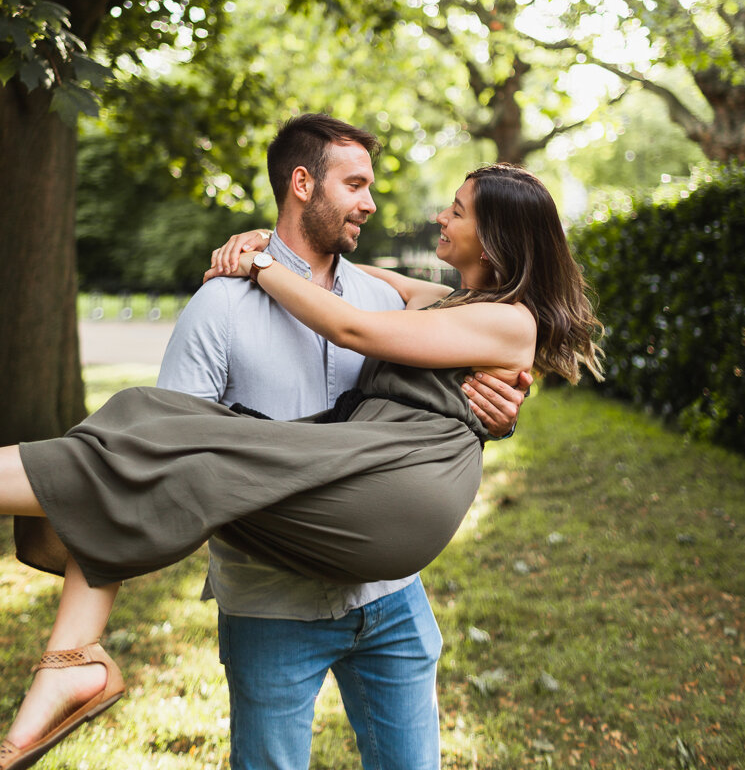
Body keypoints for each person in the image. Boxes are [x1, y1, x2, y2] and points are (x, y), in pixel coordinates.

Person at [0, 157, 602, 770]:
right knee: (146, 430)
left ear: (497, 232)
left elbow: (353, 330)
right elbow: (365, 285)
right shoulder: (440, 299)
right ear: (302, 183)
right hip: (285, 587)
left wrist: (264, 266)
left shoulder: (507, 319)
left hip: (387, 536)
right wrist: (267, 245)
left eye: (457, 209)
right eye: (356, 186)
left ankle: (71, 659)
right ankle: (71, 660)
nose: (436, 215)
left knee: (155, 445)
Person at [153, 114, 527, 770]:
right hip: (272, 602)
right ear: (303, 183)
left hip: (391, 599)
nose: (372, 202)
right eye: (355, 184)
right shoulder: (221, 307)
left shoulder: (386, 301)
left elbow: (448, 399)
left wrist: (499, 409)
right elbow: (168, 447)